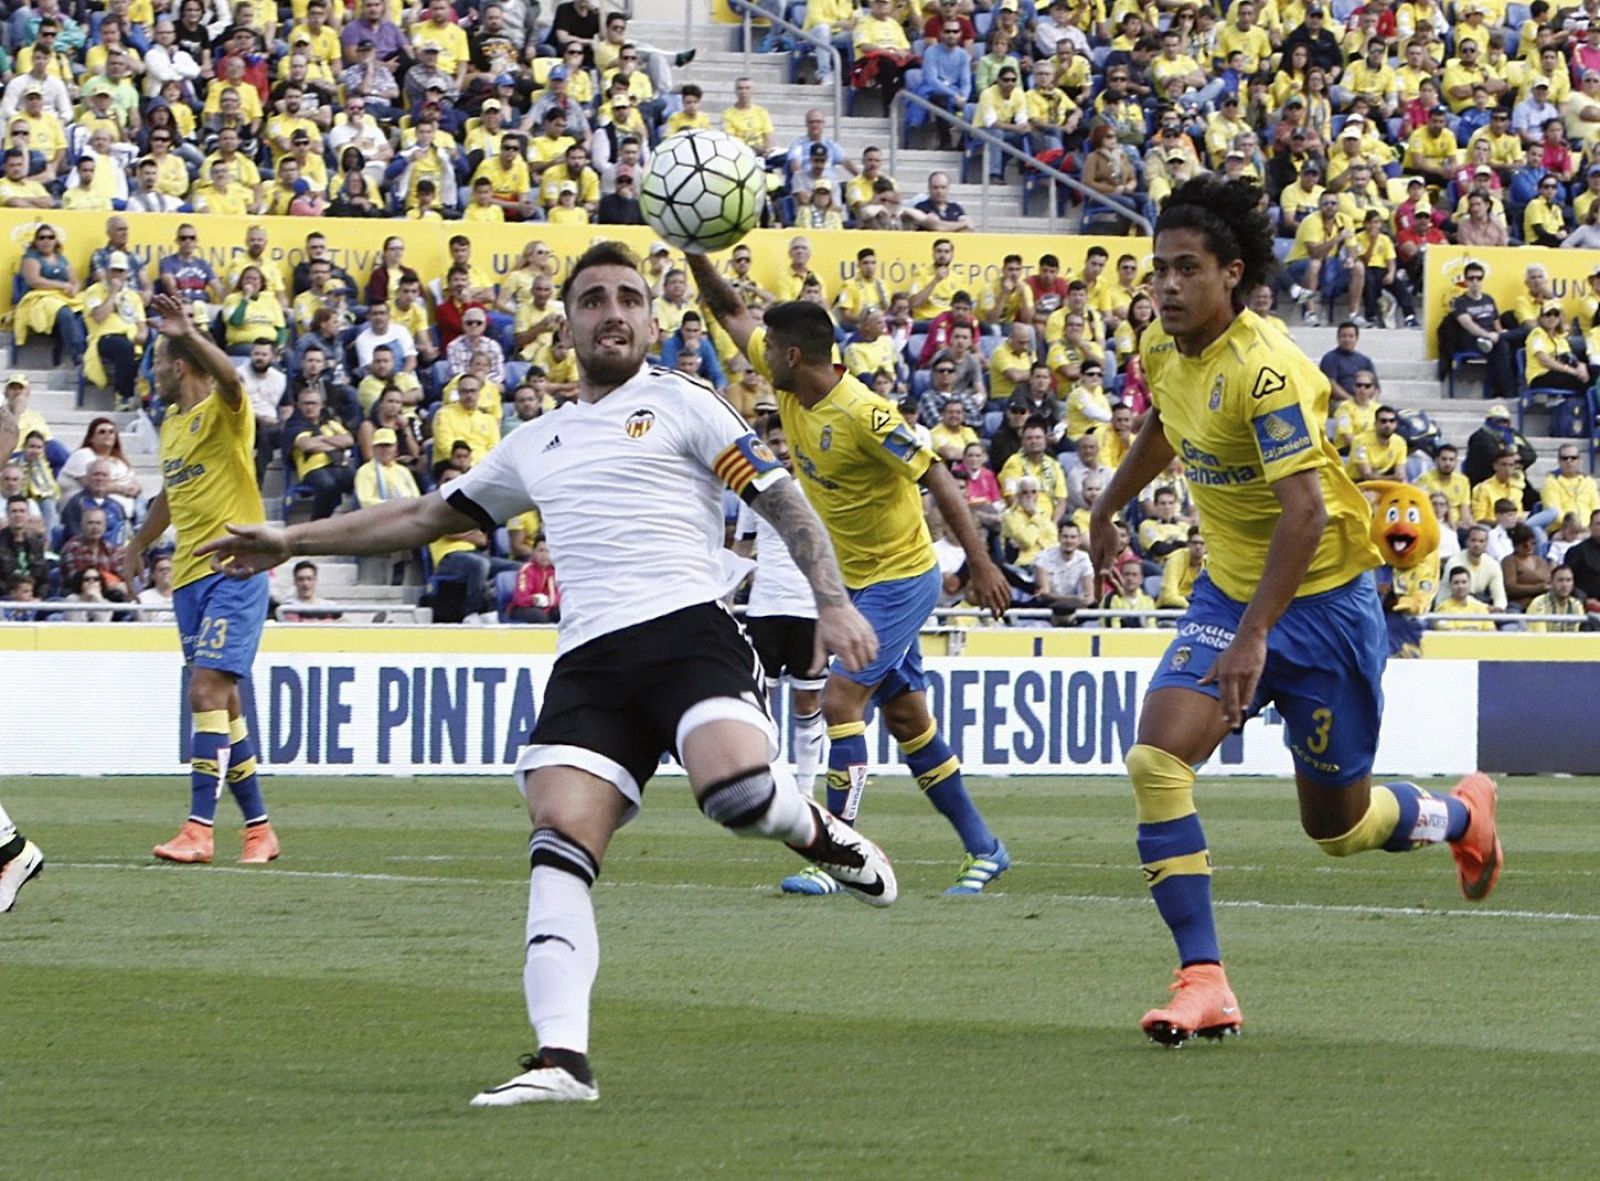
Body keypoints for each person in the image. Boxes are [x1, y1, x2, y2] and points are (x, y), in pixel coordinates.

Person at [197, 242, 895, 1107]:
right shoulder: (535, 440)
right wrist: (288, 538)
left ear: (649, 318)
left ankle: (813, 829)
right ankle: (561, 1060)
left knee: (739, 798)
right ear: (565, 324)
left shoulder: (684, 402)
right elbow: (423, 514)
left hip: (687, 632)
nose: (613, 311)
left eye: (629, 298)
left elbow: (783, 500)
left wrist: (832, 599)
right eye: (594, 298)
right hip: (591, 661)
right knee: (558, 841)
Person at [1087, 176, 1503, 1048]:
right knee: (1157, 759)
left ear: (1231, 274)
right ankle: (1204, 978)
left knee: (1339, 828)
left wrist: (1255, 636)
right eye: (1157, 268)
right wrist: (1103, 509)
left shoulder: (1268, 367)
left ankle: (1463, 816)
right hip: (1230, 593)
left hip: (1321, 607)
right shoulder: (1164, 349)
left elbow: (1306, 512)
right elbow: (1167, 425)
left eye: (1186, 269)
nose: (1165, 285)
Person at [690, 252, 1015, 897]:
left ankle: (836, 855)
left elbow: (937, 475)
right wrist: (692, 245)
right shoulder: (788, 375)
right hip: (856, 580)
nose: (756, 361)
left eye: (768, 351)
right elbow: (729, 310)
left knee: (840, 700)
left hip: (900, 576)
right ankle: (986, 847)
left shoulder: (864, 414)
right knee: (908, 721)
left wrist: (980, 565)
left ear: (790, 357)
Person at [124, 295, 278, 868]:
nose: (153, 373)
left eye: (159, 362)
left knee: (205, 692)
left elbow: (234, 379)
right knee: (227, 705)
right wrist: (137, 543)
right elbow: (170, 494)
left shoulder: (222, 410)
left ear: (180, 364)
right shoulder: (170, 424)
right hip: (188, 579)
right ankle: (259, 830)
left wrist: (187, 332)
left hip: (234, 567)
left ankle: (199, 828)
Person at [733, 413, 829, 799]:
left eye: (790, 442)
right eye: (776, 442)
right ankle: (772, 784)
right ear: (764, 446)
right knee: (761, 702)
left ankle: (805, 790)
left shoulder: (823, 490)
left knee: (808, 701)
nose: (784, 450)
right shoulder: (753, 491)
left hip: (810, 609)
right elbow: (742, 546)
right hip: (766, 607)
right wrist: (723, 597)